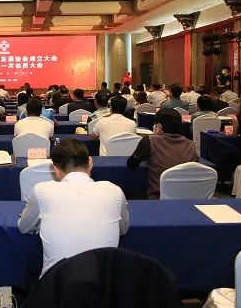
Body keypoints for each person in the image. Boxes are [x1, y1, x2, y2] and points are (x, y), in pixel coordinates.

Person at [18, 138, 129, 277]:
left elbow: (23, 228)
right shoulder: (114, 191)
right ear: (90, 163)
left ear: (56, 170)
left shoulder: (42, 191)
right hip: (104, 284)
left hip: (56, 284)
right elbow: (123, 230)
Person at [127, 108, 198, 199]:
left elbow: (132, 163)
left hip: (157, 198)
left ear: (159, 126)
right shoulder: (191, 145)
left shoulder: (150, 141)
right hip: (186, 197)